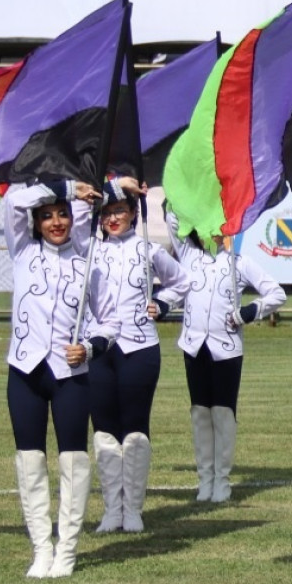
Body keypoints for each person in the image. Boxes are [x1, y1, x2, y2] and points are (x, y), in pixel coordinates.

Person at [5, 179, 102, 579]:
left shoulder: (86, 262)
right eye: (47, 216)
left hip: (70, 373)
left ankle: (67, 550)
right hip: (25, 369)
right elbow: (13, 202)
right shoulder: (22, 250)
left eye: (62, 213)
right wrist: (65, 187)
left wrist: (91, 348)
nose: (56, 221)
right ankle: (41, 548)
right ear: (37, 222)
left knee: (73, 458)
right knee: (30, 458)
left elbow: (105, 321)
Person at [87, 178, 189, 534]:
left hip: (139, 347)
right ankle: (111, 508)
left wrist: (162, 303)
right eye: (106, 213)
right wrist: (113, 183)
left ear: (133, 213)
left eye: (120, 210)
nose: (113, 218)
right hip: (98, 348)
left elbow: (183, 281)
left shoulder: (148, 250)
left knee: (135, 430)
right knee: (103, 431)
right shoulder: (87, 251)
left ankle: (133, 508)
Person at [169, 211, 286, 504]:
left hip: (226, 348)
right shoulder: (188, 255)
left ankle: (222, 479)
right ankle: (204, 478)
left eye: (218, 227)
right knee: (199, 413)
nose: (212, 233)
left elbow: (276, 293)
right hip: (194, 346)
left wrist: (249, 312)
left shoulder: (239, 262)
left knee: (223, 413)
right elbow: (173, 217)